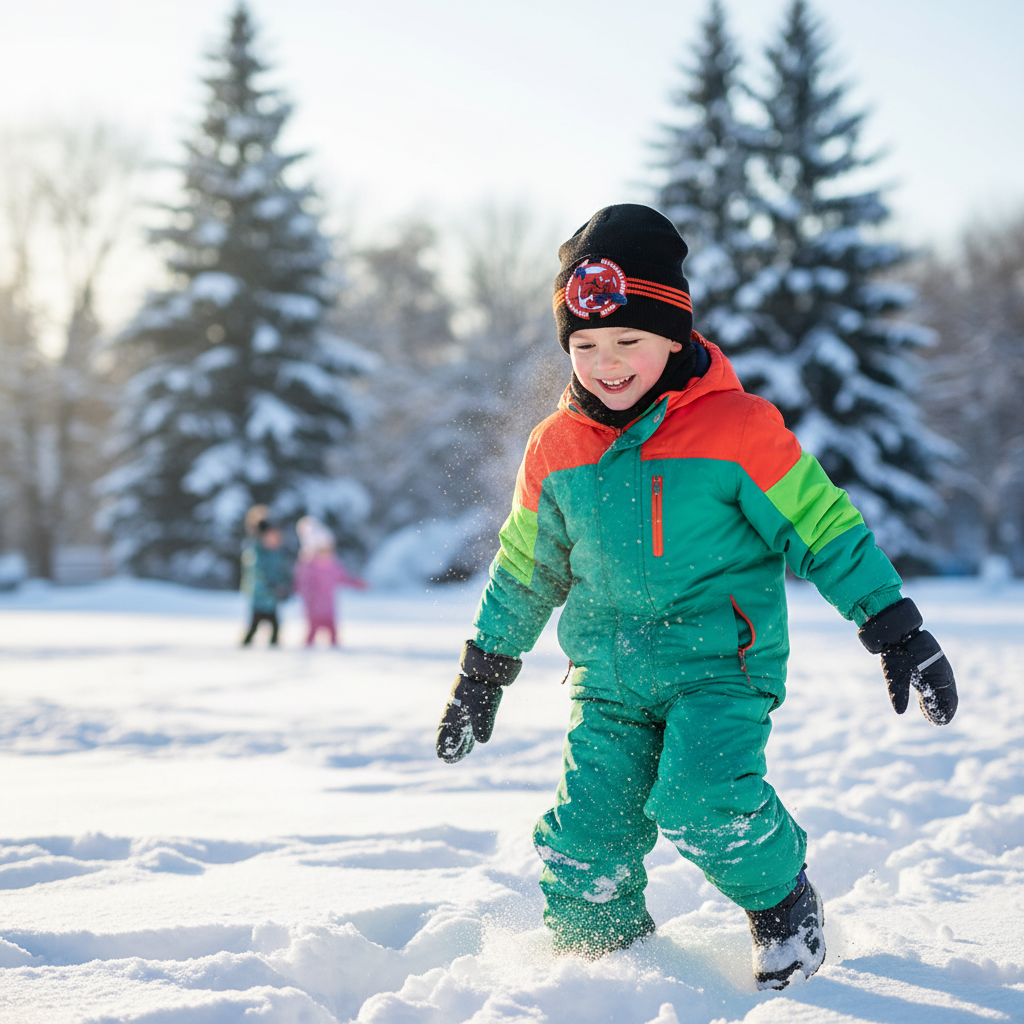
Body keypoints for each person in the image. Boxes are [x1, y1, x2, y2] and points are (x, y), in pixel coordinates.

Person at [434, 205, 958, 989]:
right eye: (585, 346)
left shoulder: (738, 430)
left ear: (674, 334)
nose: (606, 364)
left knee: (702, 800)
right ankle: (605, 976)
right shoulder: (555, 448)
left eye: (627, 341)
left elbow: (822, 528)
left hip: (721, 669)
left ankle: (782, 905)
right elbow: (526, 569)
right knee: (584, 844)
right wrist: (485, 667)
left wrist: (893, 625)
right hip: (609, 682)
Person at [293, 516, 367, 647]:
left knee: (333, 635)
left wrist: (358, 584)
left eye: (329, 548)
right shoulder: (308, 567)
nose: (327, 552)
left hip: (329, 610)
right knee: (311, 634)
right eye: (323, 549)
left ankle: (335, 654)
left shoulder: (334, 565)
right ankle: (306, 653)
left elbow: (344, 578)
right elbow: (301, 585)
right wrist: (309, 597)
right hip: (313, 610)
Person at [240, 506, 292, 647]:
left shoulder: (279, 554)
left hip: (272, 599)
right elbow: (256, 573)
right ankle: (245, 647)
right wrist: (270, 585)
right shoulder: (255, 553)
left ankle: (273, 648)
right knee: (254, 626)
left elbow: (283, 572)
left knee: (275, 627)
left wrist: (284, 585)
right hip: (258, 598)